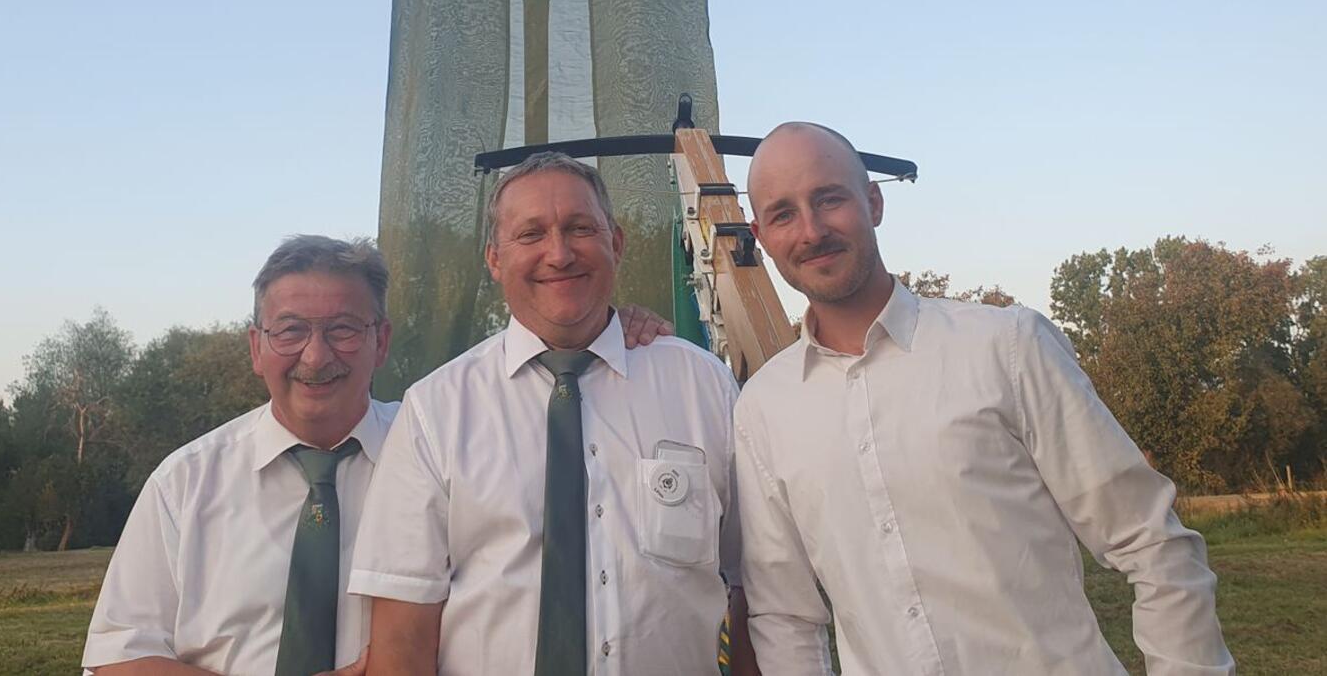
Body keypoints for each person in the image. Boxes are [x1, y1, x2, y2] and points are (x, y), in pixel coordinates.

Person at [734, 122, 1235, 676]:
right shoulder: (763, 409)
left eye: (829, 199)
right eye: (783, 214)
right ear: (760, 235)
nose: (810, 231)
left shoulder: (1007, 347)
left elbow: (1150, 542)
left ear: (873, 202)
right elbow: (785, 617)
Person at [82, 234, 671, 676]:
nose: (315, 357)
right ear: (256, 347)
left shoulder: (442, 447)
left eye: (343, 328)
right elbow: (116, 657)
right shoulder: (185, 484)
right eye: (289, 331)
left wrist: (616, 326)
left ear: (381, 341)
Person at [349, 152, 756, 675]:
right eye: (531, 234)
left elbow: (756, 584)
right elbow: (403, 634)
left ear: (617, 243)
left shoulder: (704, 386)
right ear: (495, 259)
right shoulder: (435, 410)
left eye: (580, 228)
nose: (559, 253)